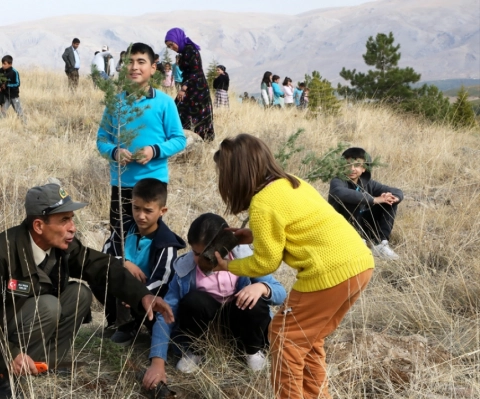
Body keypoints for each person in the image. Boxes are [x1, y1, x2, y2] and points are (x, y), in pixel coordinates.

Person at [0, 183, 174, 399]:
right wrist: (8, 355)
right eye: (64, 220)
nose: (72, 228)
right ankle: (6, 377)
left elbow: (100, 266)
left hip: (21, 323)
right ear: (39, 226)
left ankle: (44, 363)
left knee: (79, 294)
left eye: (71, 218)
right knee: (48, 305)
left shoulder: (62, 245)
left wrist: (142, 295)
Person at [211, 134, 374, 399]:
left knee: (284, 337)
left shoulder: (262, 203)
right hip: (359, 262)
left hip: (327, 272)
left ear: (236, 175)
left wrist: (229, 266)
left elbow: (266, 262)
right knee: (308, 340)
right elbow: (298, 225)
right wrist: (252, 235)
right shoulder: (291, 182)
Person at [142, 213, 287, 391]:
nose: (199, 259)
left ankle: (252, 350)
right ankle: (196, 352)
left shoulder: (244, 259)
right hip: (205, 328)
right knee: (193, 300)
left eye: (205, 255)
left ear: (223, 247)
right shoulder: (184, 269)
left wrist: (261, 288)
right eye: (195, 253)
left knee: (254, 301)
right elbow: (166, 312)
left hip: (240, 323)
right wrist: (157, 361)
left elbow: (280, 293)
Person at [96, 42, 186, 263]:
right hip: (121, 184)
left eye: (141, 62)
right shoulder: (115, 103)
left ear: (153, 67)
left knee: (149, 238)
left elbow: (179, 139)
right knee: (119, 236)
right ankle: (118, 288)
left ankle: (150, 288)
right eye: (129, 62)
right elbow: (101, 140)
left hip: (153, 183)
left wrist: (154, 150)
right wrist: (115, 151)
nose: (134, 67)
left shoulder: (164, 103)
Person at [102, 178, 186, 345]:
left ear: (163, 211)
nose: (141, 216)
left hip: (150, 296)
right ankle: (121, 324)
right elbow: (105, 254)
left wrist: (136, 293)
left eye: (148, 210)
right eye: (136, 208)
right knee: (101, 275)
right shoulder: (123, 227)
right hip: (125, 290)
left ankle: (140, 325)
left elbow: (163, 281)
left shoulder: (167, 242)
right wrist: (123, 262)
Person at [328, 147, 403, 260]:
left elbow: (397, 192)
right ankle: (357, 244)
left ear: (364, 168)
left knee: (388, 202)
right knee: (353, 199)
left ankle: (380, 245)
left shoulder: (368, 184)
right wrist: (373, 199)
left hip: (364, 225)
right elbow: (340, 193)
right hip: (342, 228)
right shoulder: (337, 181)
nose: (352, 169)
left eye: (357, 165)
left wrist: (393, 198)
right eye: (348, 165)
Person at [165, 28, 215, 141]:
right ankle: (181, 138)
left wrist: (183, 88)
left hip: (197, 88)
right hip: (191, 86)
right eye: (169, 47)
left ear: (177, 39)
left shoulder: (190, 50)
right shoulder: (184, 51)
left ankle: (198, 140)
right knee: (179, 109)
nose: (171, 48)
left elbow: (195, 71)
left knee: (192, 112)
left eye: (171, 45)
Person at [0, 55, 25, 122]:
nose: (3, 65)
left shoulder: (14, 72)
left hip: (14, 96)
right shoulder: (0, 71)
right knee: (2, 111)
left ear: (10, 64)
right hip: (5, 96)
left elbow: (17, 84)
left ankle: (24, 124)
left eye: (5, 64)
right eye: (2, 63)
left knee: (19, 111)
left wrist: (7, 85)